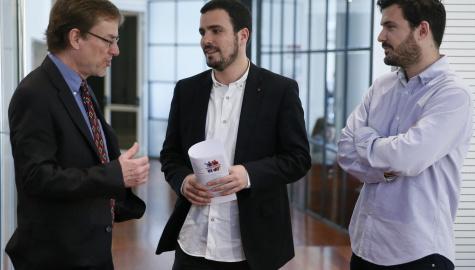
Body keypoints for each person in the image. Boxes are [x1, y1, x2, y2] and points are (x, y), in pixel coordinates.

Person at [156, 0, 311, 269]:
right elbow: (170, 155)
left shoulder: (280, 90)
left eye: (216, 31)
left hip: (251, 249)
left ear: (243, 36)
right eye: (202, 32)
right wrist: (183, 181)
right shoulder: (186, 91)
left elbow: (298, 158)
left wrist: (248, 175)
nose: (206, 40)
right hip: (193, 243)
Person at [6, 0, 150, 269]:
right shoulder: (35, 94)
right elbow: (37, 177)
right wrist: (115, 174)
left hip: (89, 247)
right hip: (57, 257)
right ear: (75, 38)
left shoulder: (81, 88)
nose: (116, 50)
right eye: (108, 40)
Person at [337, 0, 473, 269]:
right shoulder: (381, 87)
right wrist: (387, 168)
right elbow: (344, 150)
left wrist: (365, 138)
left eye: (390, 26)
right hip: (365, 246)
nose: (381, 37)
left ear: (422, 30)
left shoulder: (452, 94)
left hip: (418, 254)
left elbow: (406, 157)